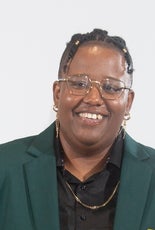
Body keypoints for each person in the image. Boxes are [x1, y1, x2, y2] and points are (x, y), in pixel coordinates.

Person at [0, 28, 155, 230]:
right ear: (57, 93)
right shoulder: (5, 167)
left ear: (128, 103)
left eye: (111, 87)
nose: (93, 98)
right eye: (80, 83)